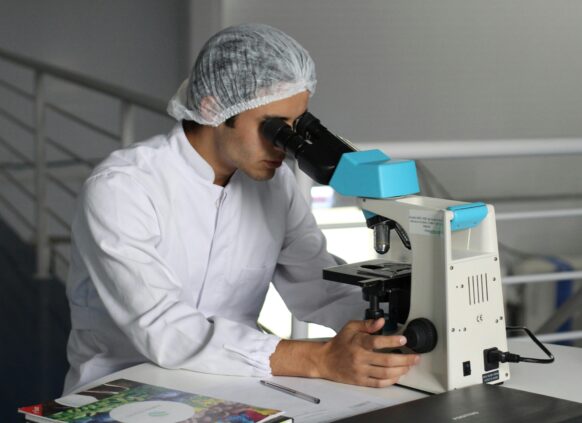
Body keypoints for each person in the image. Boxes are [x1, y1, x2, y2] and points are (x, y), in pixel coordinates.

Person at [63, 23, 419, 394]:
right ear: (214, 107)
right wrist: (320, 359)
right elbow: (164, 328)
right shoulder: (124, 188)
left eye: (297, 126)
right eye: (275, 129)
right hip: (122, 389)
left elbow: (319, 286)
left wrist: (393, 330)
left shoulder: (274, 185)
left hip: (231, 387)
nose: (286, 145)